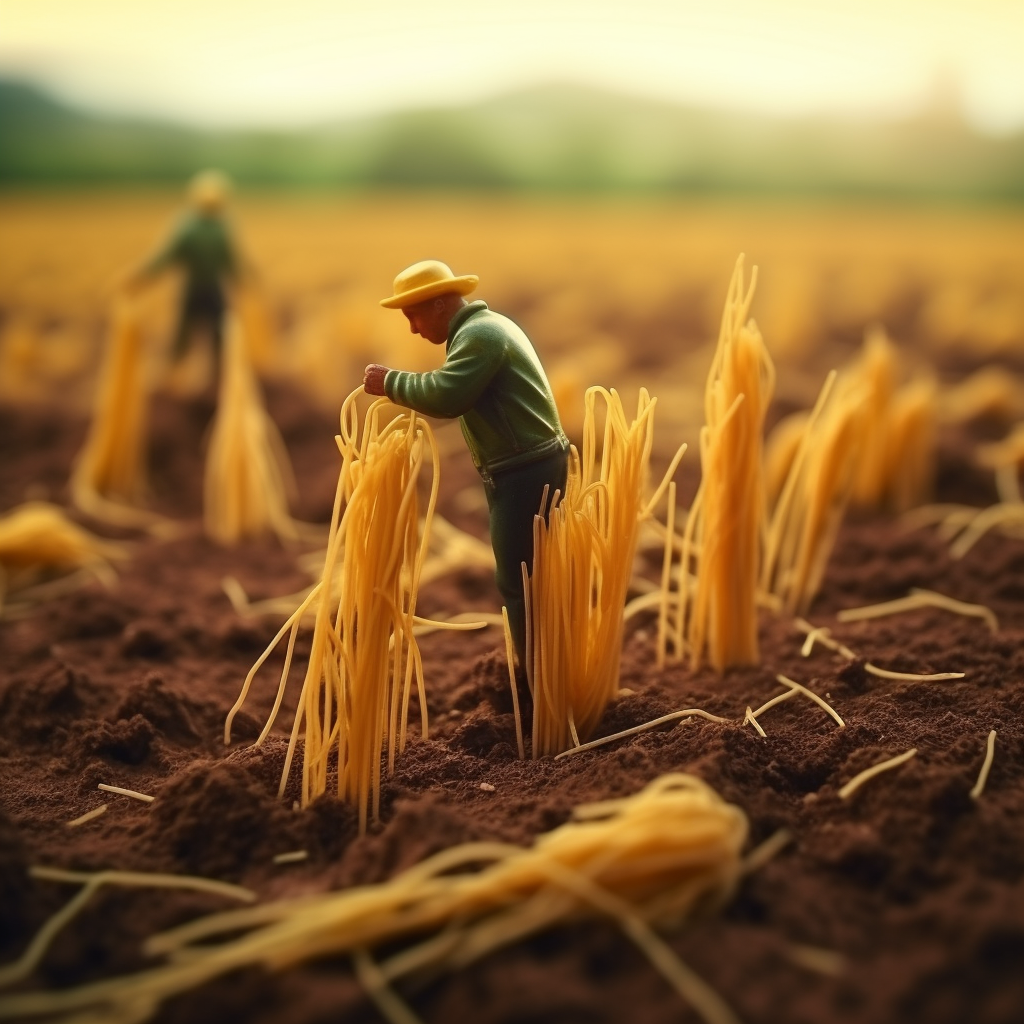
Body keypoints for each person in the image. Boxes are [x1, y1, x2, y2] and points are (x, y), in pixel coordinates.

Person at [364, 260, 569, 669]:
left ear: (440, 305)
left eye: (414, 315)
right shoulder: (488, 327)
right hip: (524, 464)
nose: (412, 329)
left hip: (525, 468)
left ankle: (539, 681)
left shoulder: (480, 335)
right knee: (529, 577)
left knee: (521, 581)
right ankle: (543, 674)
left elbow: (448, 395)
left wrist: (390, 383)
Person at [123, 169, 242, 379]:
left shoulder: (190, 227)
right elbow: (232, 262)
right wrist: (244, 280)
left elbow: (164, 258)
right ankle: (211, 375)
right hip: (209, 288)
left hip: (197, 288)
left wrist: (141, 277)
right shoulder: (220, 227)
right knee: (213, 334)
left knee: (188, 333)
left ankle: (181, 370)